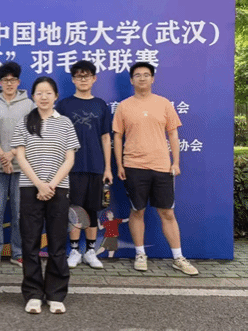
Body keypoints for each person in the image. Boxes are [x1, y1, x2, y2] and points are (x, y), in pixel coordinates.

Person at [112, 62, 198, 275]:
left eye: (146, 75)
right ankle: (140, 254)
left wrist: (175, 162)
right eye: (137, 75)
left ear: (152, 79)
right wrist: (120, 164)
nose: (142, 78)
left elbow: (173, 134)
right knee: (137, 210)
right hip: (133, 166)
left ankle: (178, 257)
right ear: (131, 80)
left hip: (162, 167)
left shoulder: (164, 103)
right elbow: (118, 137)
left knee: (167, 212)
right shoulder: (124, 106)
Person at [11, 76, 80, 315]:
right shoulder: (24, 122)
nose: (43, 97)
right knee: (30, 243)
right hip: (30, 188)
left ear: (56, 96)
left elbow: (70, 159)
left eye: (48, 93)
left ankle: (55, 294)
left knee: (57, 243)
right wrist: (39, 184)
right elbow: (20, 156)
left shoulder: (65, 123)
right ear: (33, 96)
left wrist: (51, 184)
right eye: (39, 93)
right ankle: (33, 294)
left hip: (58, 188)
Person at [56, 60, 113, 270]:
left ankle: (90, 251)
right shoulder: (64, 105)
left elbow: (106, 138)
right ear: (73, 79)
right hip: (71, 167)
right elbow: (58, 138)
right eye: (79, 76)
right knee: (74, 210)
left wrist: (108, 168)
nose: (83, 79)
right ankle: (74, 251)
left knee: (92, 209)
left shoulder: (100, 105)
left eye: (86, 76)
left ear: (94, 78)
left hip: (96, 166)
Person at [0, 61, 34, 267]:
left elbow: (32, 133)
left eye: (13, 80)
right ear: (0, 82)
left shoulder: (30, 105)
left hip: (23, 168)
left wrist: (12, 154)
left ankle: (18, 252)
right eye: (5, 80)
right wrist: (3, 156)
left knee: (21, 212)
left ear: (18, 82)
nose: (9, 84)